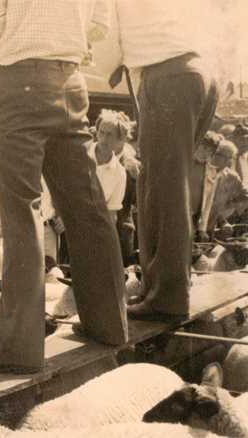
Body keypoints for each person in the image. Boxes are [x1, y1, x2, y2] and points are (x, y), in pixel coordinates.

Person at [0, 0, 128, 373]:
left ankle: (18, 347)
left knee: (21, 211)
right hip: (71, 84)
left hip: (18, 84)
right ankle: (110, 325)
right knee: (88, 206)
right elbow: (99, 29)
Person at [115, 1, 219, 321]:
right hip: (196, 71)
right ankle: (166, 287)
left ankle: (166, 296)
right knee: (170, 186)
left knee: (161, 190)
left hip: (167, 75)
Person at [88, 111, 128, 225]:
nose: (104, 139)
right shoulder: (80, 155)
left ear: (119, 139)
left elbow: (111, 214)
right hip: (65, 224)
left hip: (95, 228)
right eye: (101, 132)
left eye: (109, 135)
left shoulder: (120, 173)